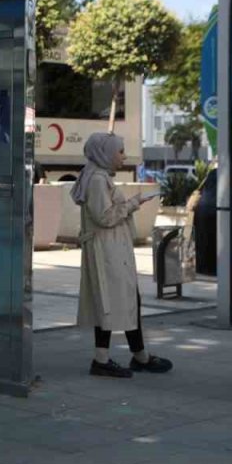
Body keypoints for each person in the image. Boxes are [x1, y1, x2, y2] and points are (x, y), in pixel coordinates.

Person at [73, 132, 172, 378]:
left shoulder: (97, 176)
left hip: (110, 249)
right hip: (107, 250)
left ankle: (129, 356)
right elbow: (105, 216)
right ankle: (116, 358)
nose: (124, 156)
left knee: (120, 301)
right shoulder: (97, 179)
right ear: (105, 153)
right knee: (113, 301)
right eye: (120, 151)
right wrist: (134, 202)